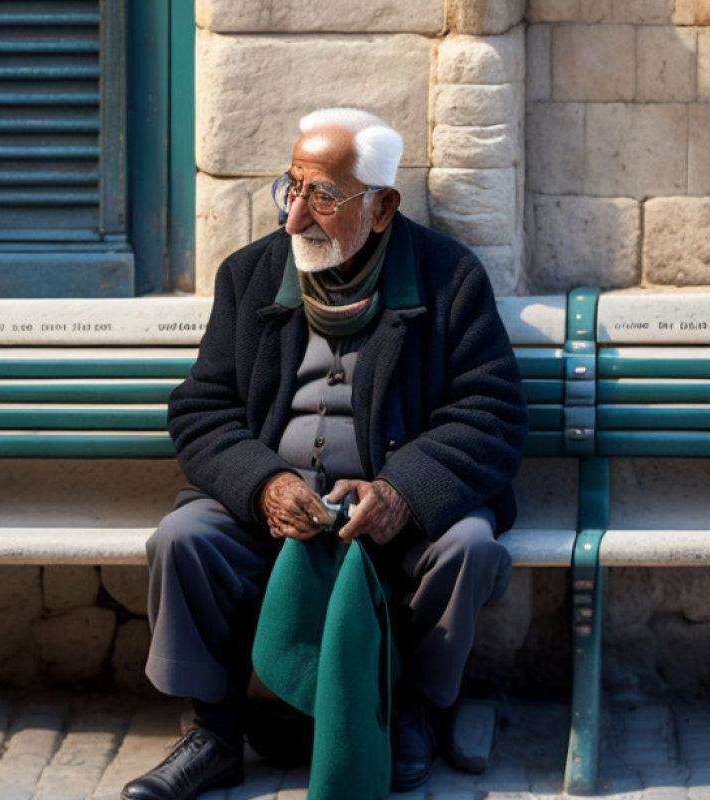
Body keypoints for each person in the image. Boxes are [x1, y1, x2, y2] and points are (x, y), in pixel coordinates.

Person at [121, 107, 528, 800]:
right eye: (292, 189)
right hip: (273, 510)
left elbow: (490, 414)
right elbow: (201, 408)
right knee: (183, 538)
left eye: (322, 196)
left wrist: (402, 491)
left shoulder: (447, 278)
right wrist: (265, 483)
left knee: (469, 548)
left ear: (381, 206)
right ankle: (212, 733)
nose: (294, 217)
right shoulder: (250, 275)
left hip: (396, 515)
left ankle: (411, 716)